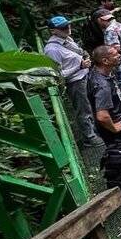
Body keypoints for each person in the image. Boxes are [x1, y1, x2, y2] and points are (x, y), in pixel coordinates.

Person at [43, 16, 104, 147]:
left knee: (91, 105)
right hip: (74, 82)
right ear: (53, 31)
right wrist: (79, 66)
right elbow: (56, 75)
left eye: (67, 25)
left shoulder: (67, 39)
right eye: (63, 27)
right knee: (83, 109)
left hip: (84, 76)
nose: (67, 28)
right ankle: (89, 137)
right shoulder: (52, 50)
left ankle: (96, 130)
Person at [86, 45, 121, 144]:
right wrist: (114, 128)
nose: (119, 55)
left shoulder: (97, 71)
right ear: (105, 61)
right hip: (117, 127)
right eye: (115, 55)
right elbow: (102, 116)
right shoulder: (103, 86)